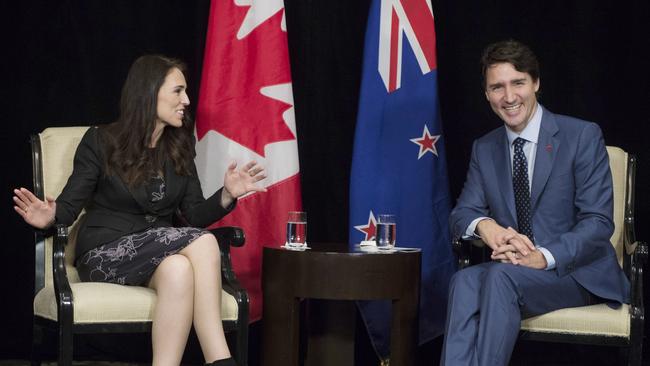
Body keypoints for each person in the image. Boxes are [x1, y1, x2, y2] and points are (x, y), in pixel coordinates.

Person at [12, 55, 265, 366]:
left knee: (179, 270)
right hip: (106, 252)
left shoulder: (180, 147)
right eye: (177, 91)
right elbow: (68, 206)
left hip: (158, 253)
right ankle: (220, 358)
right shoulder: (100, 141)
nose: (186, 100)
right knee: (204, 242)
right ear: (149, 92)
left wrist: (227, 194)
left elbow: (195, 215)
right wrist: (48, 216)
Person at [440, 40, 630, 366]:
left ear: (536, 83)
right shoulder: (485, 148)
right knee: (463, 280)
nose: (509, 97)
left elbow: (598, 222)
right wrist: (487, 228)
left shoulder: (581, 135)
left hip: (577, 272)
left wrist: (544, 256)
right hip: (516, 274)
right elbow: (463, 213)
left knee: (498, 277)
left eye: (518, 83)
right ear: (487, 94)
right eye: (497, 87)